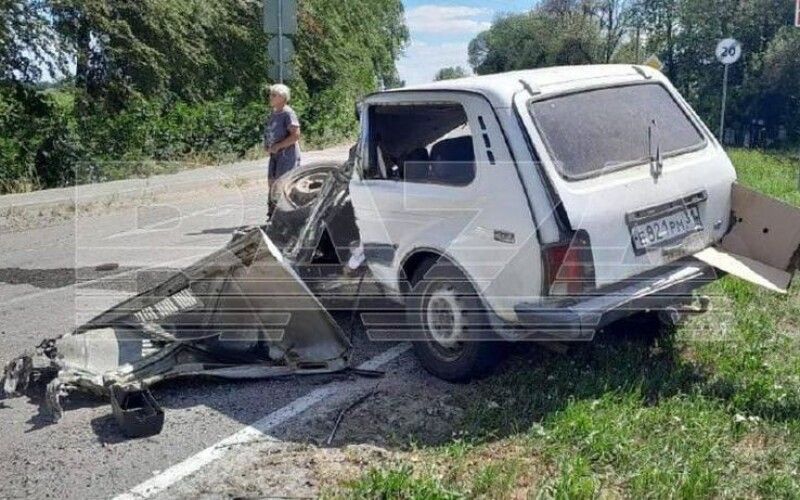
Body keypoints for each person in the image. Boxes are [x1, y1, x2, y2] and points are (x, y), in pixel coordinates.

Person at [264, 84, 301, 216]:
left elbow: (296, 135)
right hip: (274, 155)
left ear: (283, 97)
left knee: (282, 184)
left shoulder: (288, 113)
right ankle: (273, 213)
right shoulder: (274, 113)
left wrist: (279, 146)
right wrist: (267, 144)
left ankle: (285, 214)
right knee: (272, 182)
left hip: (287, 155)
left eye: (274, 95)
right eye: (271, 94)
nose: (270, 97)